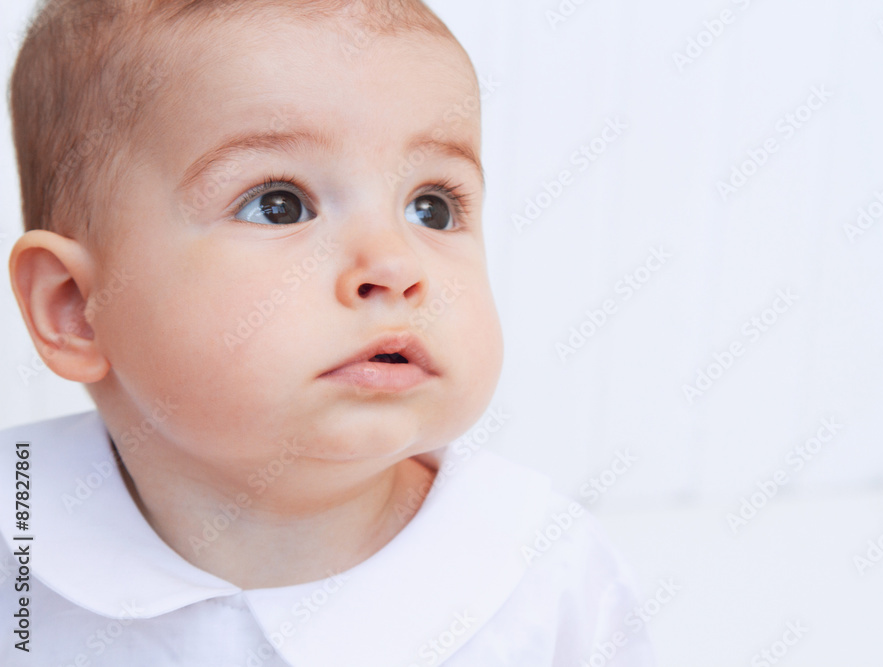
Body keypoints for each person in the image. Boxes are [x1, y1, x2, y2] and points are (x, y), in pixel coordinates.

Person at [1, 1, 658, 664]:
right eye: (278, 203)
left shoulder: (540, 574)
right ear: (76, 307)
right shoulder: (21, 524)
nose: (397, 266)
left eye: (432, 206)